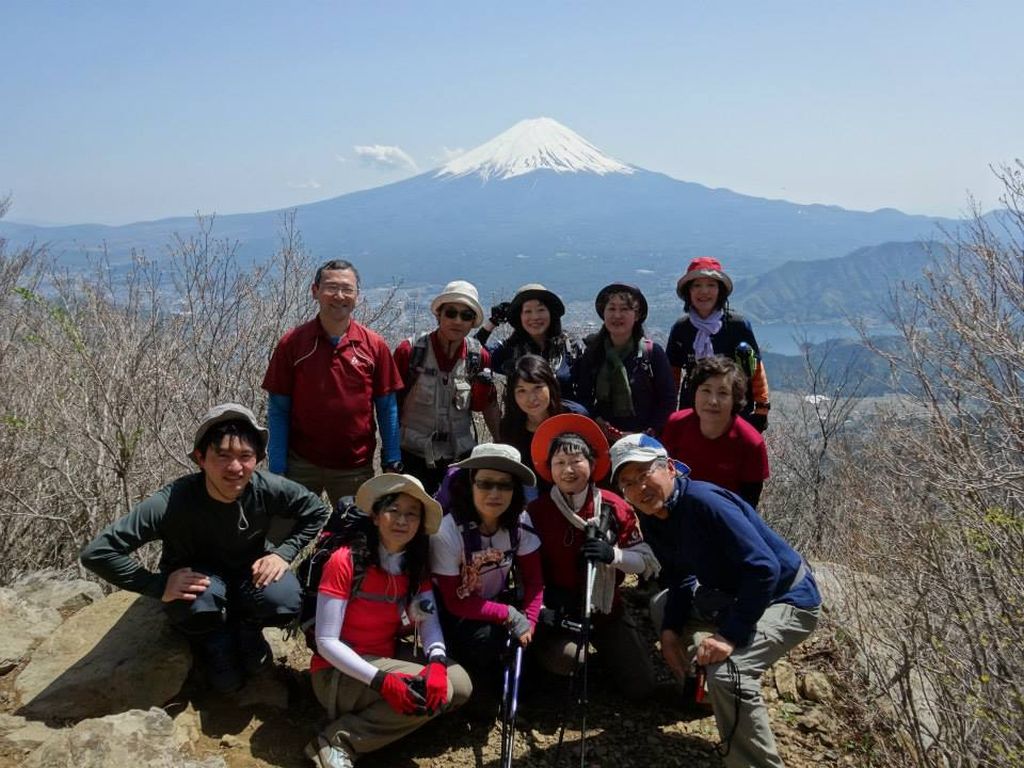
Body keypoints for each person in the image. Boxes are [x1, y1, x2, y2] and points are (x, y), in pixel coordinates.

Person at [80, 404, 330, 694]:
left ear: (257, 459)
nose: (235, 468)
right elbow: (98, 553)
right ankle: (216, 641)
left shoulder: (267, 489)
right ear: (201, 458)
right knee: (198, 604)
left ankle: (248, 631)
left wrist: (283, 553)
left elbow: (315, 511)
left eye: (245, 457)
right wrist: (157, 585)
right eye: (222, 456)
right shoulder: (171, 502)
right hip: (200, 579)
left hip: (249, 572)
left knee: (285, 596)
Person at [610, 433, 820, 768]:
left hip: (787, 597)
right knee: (663, 607)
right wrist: (669, 633)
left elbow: (765, 568)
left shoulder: (705, 503)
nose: (639, 488)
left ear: (670, 468)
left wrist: (729, 636)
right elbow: (680, 578)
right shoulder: (654, 516)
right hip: (730, 594)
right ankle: (704, 695)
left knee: (730, 673)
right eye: (628, 483)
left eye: (645, 473)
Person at [307, 473, 472, 768]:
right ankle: (338, 740)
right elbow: (326, 641)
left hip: (383, 657)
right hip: (336, 672)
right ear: (375, 516)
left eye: (412, 514)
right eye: (393, 510)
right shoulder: (345, 561)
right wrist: (381, 681)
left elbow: (427, 619)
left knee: (458, 685)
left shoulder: (413, 564)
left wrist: (436, 661)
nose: (402, 521)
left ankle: (391, 716)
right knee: (441, 692)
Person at [526, 414, 661, 701]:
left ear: (592, 464)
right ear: (549, 469)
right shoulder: (537, 512)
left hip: (606, 609)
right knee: (568, 660)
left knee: (642, 687)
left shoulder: (615, 508)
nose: (568, 470)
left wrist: (612, 555)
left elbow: (646, 562)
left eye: (577, 461)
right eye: (560, 463)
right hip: (559, 608)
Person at [262, 259, 404, 506]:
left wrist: (392, 460)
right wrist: (277, 467)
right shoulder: (293, 344)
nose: (339, 296)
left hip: (354, 467)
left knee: (355, 539)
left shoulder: (374, 346)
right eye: (331, 287)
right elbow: (278, 408)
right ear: (315, 291)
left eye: (347, 289)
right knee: (285, 534)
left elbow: (387, 408)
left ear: (357, 295)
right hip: (300, 464)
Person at [429, 443, 543, 699]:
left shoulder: (520, 522)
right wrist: (511, 616)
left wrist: (530, 623)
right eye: (485, 483)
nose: (495, 493)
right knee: (484, 641)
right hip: (456, 612)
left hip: (496, 602)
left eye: (505, 485)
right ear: (470, 484)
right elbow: (455, 601)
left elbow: (535, 581)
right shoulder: (447, 532)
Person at [393, 280, 500, 494]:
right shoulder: (410, 352)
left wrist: (502, 447)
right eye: (451, 313)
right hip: (412, 456)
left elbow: (489, 405)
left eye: (466, 316)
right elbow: (390, 404)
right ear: (438, 315)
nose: (457, 321)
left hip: (459, 458)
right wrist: (391, 455)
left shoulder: (479, 357)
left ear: (473, 323)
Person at [667, 257, 771, 432]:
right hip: (692, 408)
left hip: (735, 407)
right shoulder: (681, 329)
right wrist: (669, 412)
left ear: (720, 291)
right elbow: (672, 374)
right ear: (688, 292)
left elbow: (755, 368)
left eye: (711, 285)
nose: (704, 292)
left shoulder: (737, 325)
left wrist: (762, 408)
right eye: (697, 286)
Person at [660, 356, 769, 508]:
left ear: (735, 399)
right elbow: (662, 477)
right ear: (695, 392)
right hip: (676, 511)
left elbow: (748, 504)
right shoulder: (676, 424)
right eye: (706, 390)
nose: (713, 401)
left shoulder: (750, 442)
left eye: (723, 393)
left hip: (725, 518)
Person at [574, 283, 675, 442]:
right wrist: (597, 421)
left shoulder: (652, 354)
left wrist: (647, 433)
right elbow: (583, 397)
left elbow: (667, 401)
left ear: (637, 315)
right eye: (612, 309)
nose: (617, 315)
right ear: (603, 313)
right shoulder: (593, 353)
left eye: (625, 309)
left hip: (645, 442)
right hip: (603, 439)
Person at [498, 354, 586, 499]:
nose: (531, 398)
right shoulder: (510, 428)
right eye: (521, 391)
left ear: (550, 386)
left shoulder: (574, 417)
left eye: (537, 388)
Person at [476, 283, 584, 400]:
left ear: (551, 313)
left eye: (540, 310)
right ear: (520, 317)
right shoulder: (510, 350)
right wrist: (493, 322)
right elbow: (473, 353)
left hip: (565, 417)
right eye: (528, 311)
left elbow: (585, 390)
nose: (535, 317)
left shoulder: (569, 348)